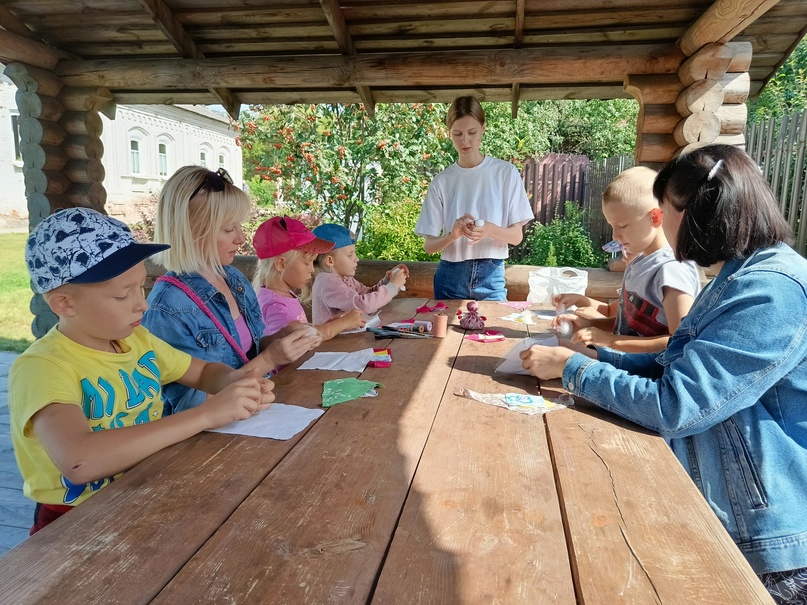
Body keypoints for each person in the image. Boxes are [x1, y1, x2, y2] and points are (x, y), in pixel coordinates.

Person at [520, 144, 807, 604]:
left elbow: (679, 404)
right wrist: (597, 358)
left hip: (767, 543)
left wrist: (574, 370)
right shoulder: (740, 276)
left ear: (694, 212)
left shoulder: (772, 293)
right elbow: (675, 361)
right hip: (730, 512)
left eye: (667, 208)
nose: (664, 221)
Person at [9, 208, 275, 534]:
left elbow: (204, 372)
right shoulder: (43, 366)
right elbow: (79, 460)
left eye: (141, 288)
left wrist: (236, 383)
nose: (142, 304)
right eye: (123, 295)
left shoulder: (137, 340)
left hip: (144, 491)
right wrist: (208, 415)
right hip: (76, 523)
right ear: (64, 304)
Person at [142, 166, 319, 414]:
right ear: (192, 232)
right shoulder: (167, 307)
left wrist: (280, 336)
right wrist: (270, 359)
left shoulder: (234, 279)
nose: (241, 238)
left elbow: (246, 352)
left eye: (238, 225)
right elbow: (188, 407)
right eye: (228, 229)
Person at [553, 167, 701, 353]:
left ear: (655, 217)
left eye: (622, 225)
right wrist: (590, 325)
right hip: (622, 360)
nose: (615, 235)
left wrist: (611, 341)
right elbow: (627, 323)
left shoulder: (672, 270)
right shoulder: (638, 263)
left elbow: (679, 342)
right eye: (612, 226)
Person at [414, 95, 534, 301]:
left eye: (472, 132)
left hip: (491, 276)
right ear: (449, 133)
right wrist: (453, 234)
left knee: (493, 333)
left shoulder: (505, 172)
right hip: (449, 276)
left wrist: (489, 229)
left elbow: (516, 237)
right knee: (443, 334)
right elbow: (429, 246)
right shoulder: (442, 181)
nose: (465, 140)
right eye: (457, 133)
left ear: (483, 129)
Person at [252, 216, 366, 339]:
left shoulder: (283, 295)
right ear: (281, 264)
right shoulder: (273, 305)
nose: (312, 269)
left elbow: (304, 329)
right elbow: (301, 336)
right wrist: (342, 324)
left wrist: (332, 323)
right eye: (307, 263)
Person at [310, 223, 408, 324]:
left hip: (347, 338)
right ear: (330, 261)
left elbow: (367, 294)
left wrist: (387, 281)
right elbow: (363, 305)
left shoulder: (345, 279)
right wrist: (392, 287)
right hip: (334, 340)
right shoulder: (327, 282)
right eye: (349, 255)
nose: (357, 259)